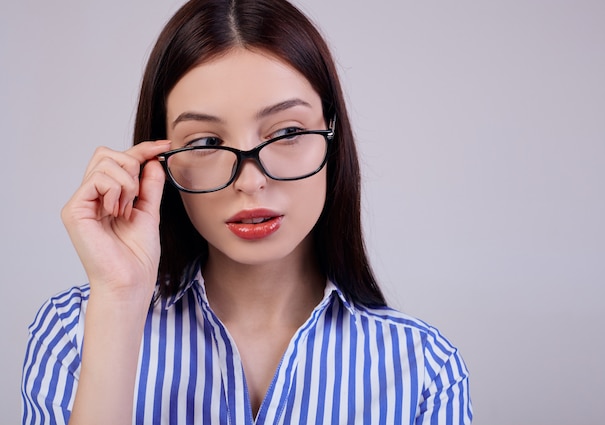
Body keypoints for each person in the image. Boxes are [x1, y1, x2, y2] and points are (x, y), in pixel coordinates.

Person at [21, 0, 472, 423]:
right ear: (158, 159)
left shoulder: (424, 369)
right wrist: (120, 299)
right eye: (205, 143)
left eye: (288, 131)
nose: (250, 180)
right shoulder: (76, 332)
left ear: (332, 136)